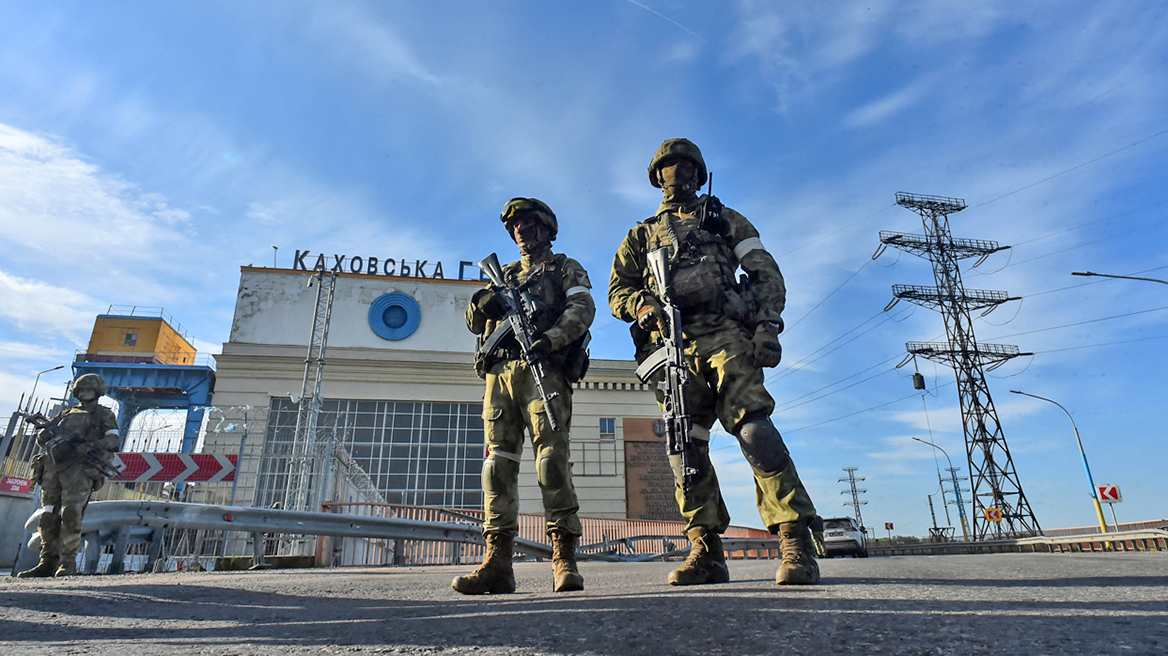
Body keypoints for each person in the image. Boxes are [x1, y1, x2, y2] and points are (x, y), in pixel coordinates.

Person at [608, 138, 821, 586]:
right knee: (685, 442)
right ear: (657, 176)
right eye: (668, 166)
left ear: (699, 173)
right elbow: (618, 292)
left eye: (686, 165)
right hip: (672, 344)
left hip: (725, 332)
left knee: (753, 429)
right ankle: (705, 548)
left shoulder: (724, 219)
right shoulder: (640, 235)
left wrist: (767, 325)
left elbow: (763, 271)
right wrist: (643, 307)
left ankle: (794, 538)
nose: (677, 172)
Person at [453, 197, 595, 594]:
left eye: (529, 225)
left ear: (547, 229)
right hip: (500, 374)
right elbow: (473, 321)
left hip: (543, 369)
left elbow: (582, 307)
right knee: (496, 467)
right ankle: (497, 562)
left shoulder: (565, 267)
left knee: (551, 461)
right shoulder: (506, 275)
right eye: (515, 227)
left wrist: (550, 340)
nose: (521, 232)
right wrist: (481, 303)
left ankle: (564, 558)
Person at [18, 373, 120, 578]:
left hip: (80, 470)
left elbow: (114, 441)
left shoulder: (103, 414)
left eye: (89, 390)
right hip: (53, 470)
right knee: (48, 516)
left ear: (97, 392)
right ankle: (46, 562)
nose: (84, 393)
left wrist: (91, 446)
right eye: (81, 390)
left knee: (71, 515)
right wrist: (46, 434)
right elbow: (42, 439)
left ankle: (67, 563)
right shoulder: (66, 413)